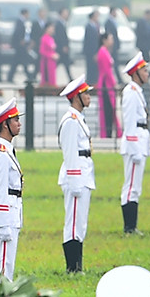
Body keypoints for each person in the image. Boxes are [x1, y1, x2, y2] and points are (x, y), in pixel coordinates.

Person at [59, 79, 96, 273]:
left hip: (84, 174)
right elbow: (70, 152)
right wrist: (74, 181)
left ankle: (77, 265)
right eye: (86, 93)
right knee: (73, 223)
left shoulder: (78, 118)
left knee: (80, 222)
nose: (89, 97)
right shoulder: (71, 121)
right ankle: (72, 267)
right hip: (76, 176)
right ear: (76, 97)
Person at [0, 98, 26, 278]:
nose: (19, 123)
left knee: (7, 267)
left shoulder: (7, 150)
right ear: (4, 125)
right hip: (5, 215)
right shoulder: (0, 154)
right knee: (2, 271)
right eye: (15, 120)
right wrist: (3, 225)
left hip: (11, 213)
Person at [118, 53, 150, 233]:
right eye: (144, 70)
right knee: (131, 186)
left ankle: (132, 225)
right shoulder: (130, 92)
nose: (147, 74)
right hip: (134, 143)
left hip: (140, 140)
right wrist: (134, 147)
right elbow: (129, 122)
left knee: (135, 186)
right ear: (136, 73)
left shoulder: (136, 91)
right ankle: (129, 226)